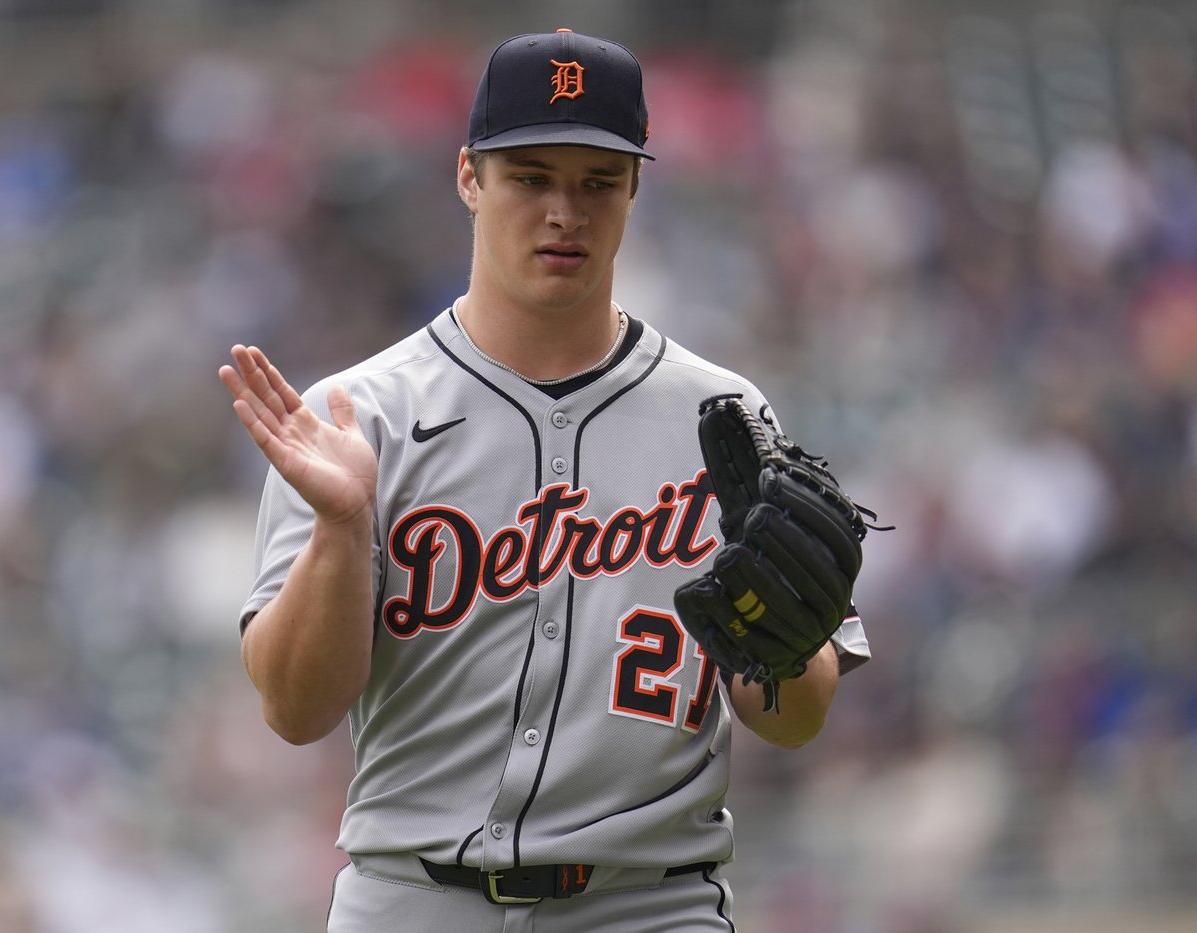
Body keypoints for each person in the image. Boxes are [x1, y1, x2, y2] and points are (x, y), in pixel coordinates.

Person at [219, 27, 870, 932]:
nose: (566, 211)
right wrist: (341, 528)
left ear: (636, 188)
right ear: (468, 178)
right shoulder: (348, 418)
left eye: (598, 181)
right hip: (411, 897)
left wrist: (787, 643)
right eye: (531, 177)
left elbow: (795, 721)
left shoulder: (725, 415)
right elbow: (295, 710)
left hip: (652, 902)